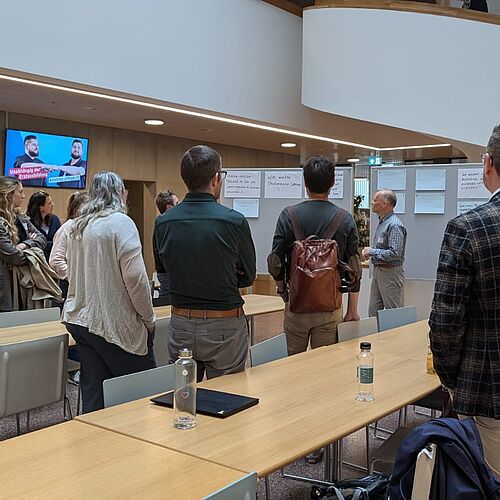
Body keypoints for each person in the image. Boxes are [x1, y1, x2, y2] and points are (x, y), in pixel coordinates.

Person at [429, 124, 500, 479]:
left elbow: (446, 320)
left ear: (487, 163)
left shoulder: (469, 228)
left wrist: (451, 381)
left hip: (488, 389)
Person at [154, 145, 256, 381]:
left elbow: (163, 273)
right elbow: (248, 276)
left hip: (180, 322)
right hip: (224, 322)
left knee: (182, 395)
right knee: (227, 394)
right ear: (216, 178)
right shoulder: (234, 222)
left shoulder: (163, 223)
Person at [62, 171, 156, 413]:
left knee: (95, 393)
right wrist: (148, 318)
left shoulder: (77, 226)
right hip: (113, 323)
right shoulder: (121, 223)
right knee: (143, 395)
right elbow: (135, 279)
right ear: (119, 192)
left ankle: (93, 435)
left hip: (80, 320)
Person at [268, 155, 361, 355]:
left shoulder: (288, 215)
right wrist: (352, 310)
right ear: (332, 183)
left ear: (305, 183)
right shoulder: (344, 218)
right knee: (325, 365)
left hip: (297, 305)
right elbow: (354, 268)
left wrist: (284, 293)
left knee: (292, 364)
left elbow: (275, 262)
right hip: (330, 307)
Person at [0, 177, 46, 312]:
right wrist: (33, 254)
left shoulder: (20, 217)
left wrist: (25, 245)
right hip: (5, 286)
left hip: (22, 283)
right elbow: (14, 256)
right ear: (8, 195)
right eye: (20, 192)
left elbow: (41, 238)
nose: (24, 196)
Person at [362, 189, 407, 318]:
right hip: (379, 271)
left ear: (384, 204)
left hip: (390, 273)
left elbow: (395, 253)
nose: (371, 202)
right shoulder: (383, 222)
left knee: (393, 314)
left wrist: (372, 251)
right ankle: (375, 332)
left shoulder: (394, 225)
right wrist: (372, 252)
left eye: (375, 200)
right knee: (373, 312)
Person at [49, 191, 89, 299]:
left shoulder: (88, 227)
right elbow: (55, 260)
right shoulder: (66, 228)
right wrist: (73, 277)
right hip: (69, 284)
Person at [153, 190, 179, 300]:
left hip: (166, 271)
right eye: (177, 203)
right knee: (167, 300)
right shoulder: (164, 224)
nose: (180, 205)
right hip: (168, 271)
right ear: (169, 207)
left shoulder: (162, 223)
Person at [27, 190, 61, 261]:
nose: (53, 204)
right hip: (36, 261)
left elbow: (61, 242)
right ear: (41, 208)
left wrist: (38, 242)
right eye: (49, 203)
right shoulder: (28, 222)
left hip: (53, 260)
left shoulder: (55, 219)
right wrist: (52, 243)